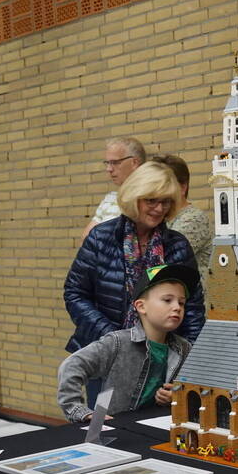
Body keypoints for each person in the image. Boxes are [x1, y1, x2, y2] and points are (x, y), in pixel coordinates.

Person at [64, 161, 206, 408]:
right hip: (107, 356)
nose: (159, 208)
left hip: (162, 359)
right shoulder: (101, 237)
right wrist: (115, 340)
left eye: (166, 202)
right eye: (151, 200)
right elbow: (75, 294)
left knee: (154, 428)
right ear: (134, 197)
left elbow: (192, 306)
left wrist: (187, 365)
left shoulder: (177, 245)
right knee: (102, 425)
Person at [58, 264, 197, 422]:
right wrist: (79, 411)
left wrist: (177, 397)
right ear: (141, 306)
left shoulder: (185, 349)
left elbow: (199, 392)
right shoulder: (117, 342)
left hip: (156, 433)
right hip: (108, 428)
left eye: (182, 302)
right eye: (167, 300)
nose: (177, 307)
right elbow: (72, 366)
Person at [151, 154, 213, 295]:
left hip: (189, 306)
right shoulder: (161, 219)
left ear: (183, 187)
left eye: (164, 185)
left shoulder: (193, 219)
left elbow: (163, 264)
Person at [79, 137, 145, 244]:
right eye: (108, 163)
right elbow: (86, 239)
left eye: (115, 162)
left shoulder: (149, 200)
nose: (109, 169)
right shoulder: (110, 198)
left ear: (134, 163)